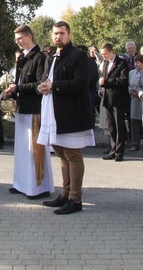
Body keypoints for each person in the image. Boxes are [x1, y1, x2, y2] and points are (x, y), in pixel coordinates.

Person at [37, 21, 94, 214]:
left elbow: (80, 83)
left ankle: (75, 199)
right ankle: (65, 194)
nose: (58, 37)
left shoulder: (78, 56)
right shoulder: (51, 55)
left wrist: (54, 86)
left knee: (73, 155)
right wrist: (41, 86)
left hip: (73, 113)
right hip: (53, 113)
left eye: (61, 33)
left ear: (69, 35)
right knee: (61, 153)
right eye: (55, 33)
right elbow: (46, 79)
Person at [3, 24, 51, 200]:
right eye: (16, 39)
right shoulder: (21, 58)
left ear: (29, 36)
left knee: (35, 150)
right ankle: (21, 184)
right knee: (22, 150)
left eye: (19, 38)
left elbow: (40, 84)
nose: (17, 42)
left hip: (34, 109)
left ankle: (39, 187)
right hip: (22, 108)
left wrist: (18, 88)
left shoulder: (39, 57)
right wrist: (11, 90)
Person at [99, 43, 130, 161]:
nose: (104, 56)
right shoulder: (105, 63)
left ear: (111, 51)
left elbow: (123, 80)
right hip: (107, 98)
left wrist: (107, 81)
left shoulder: (121, 63)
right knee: (111, 127)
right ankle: (112, 149)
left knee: (119, 126)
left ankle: (119, 152)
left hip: (118, 99)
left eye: (105, 54)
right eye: (102, 55)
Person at [127, 54, 143, 152]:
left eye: (138, 62)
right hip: (134, 101)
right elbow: (128, 86)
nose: (136, 64)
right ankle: (135, 143)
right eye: (135, 62)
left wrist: (139, 91)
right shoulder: (131, 73)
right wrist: (132, 91)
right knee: (134, 123)